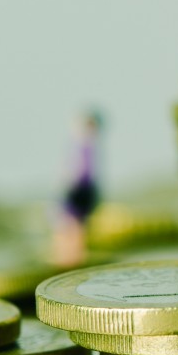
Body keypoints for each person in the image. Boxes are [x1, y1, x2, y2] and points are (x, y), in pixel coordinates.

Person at [54, 110, 102, 266]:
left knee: (74, 229)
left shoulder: (86, 146)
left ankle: (71, 262)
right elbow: (74, 172)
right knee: (70, 228)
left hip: (81, 190)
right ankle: (67, 262)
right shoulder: (80, 145)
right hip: (76, 191)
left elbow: (84, 172)